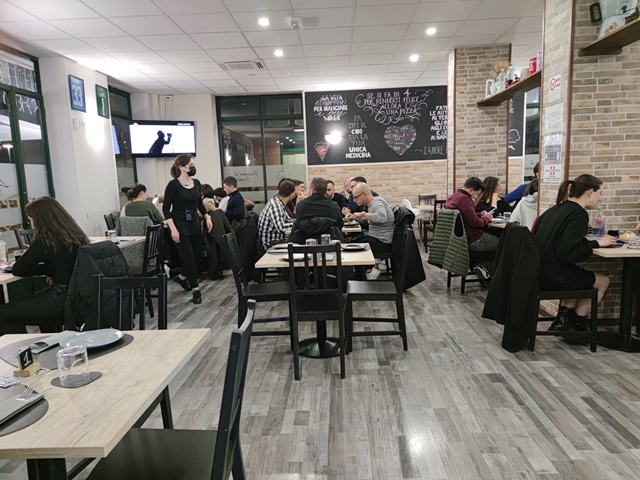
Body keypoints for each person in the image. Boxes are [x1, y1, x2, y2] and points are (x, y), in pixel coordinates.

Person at [533, 174, 615, 332]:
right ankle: (575, 324)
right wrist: (597, 243)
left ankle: (562, 321)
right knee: (602, 281)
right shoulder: (578, 214)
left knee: (578, 276)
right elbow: (570, 253)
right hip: (552, 276)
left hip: (539, 271)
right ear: (590, 192)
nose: (600, 198)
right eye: (600, 193)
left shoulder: (555, 209)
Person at [0, 197, 90, 335]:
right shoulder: (75, 235)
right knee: (28, 305)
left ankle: (19, 347)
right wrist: (49, 269)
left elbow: (19, 269)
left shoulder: (46, 240)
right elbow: (61, 264)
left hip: (61, 301)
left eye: (30, 219)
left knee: (4, 313)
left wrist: (41, 265)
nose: (31, 224)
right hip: (79, 299)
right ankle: (47, 341)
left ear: (39, 219)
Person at [163, 154, 212, 305]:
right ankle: (196, 289)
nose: (193, 168)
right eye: (190, 165)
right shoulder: (173, 185)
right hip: (179, 224)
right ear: (181, 167)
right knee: (188, 258)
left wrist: (207, 216)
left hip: (194, 224)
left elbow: (199, 204)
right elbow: (166, 209)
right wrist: (173, 229)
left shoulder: (196, 183)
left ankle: (182, 276)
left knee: (196, 256)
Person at [445, 176, 496, 282]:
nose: (476, 197)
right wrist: (487, 218)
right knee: (504, 243)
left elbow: (465, 216)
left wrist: (480, 215)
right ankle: (486, 268)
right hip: (472, 239)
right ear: (471, 190)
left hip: (457, 240)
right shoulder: (465, 199)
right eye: (476, 194)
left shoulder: (453, 197)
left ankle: (483, 269)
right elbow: (476, 223)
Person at [346, 182, 395, 280]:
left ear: (364, 194)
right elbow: (371, 221)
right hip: (376, 238)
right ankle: (363, 273)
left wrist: (362, 214)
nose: (354, 200)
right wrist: (355, 218)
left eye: (356, 197)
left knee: (354, 247)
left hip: (382, 242)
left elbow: (382, 217)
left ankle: (360, 277)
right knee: (351, 244)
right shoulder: (372, 204)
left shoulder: (377, 203)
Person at [291, 177, 343, 243]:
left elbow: (297, 224)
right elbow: (340, 225)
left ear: (312, 190)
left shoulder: (301, 205)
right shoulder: (334, 206)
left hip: (304, 245)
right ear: (325, 190)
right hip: (330, 245)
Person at [258, 179, 296, 250]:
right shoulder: (275, 206)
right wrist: (298, 224)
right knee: (300, 241)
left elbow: (287, 219)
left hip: (277, 240)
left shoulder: (278, 202)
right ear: (292, 194)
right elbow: (281, 228)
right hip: (272, 244)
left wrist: (299, 222)